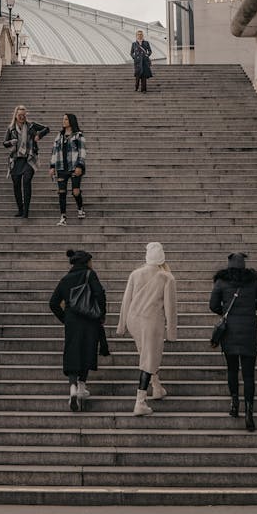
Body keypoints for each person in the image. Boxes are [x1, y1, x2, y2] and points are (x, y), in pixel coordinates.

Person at [209, 252, 257, 432]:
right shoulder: (253, 283)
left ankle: (234, 405)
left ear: (229, 266)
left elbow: (213, 306)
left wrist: (225, 311)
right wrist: (252, 306)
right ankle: (249, 413)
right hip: (249, 333)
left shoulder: (221, 282)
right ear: (244, 266)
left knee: (232, 370)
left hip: (229, 334)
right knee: (249, 375)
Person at [116, 241, 177, 415]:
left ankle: (157, 387)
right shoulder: (167, 277)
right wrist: (171, 332)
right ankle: (140, 402)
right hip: (152, 321)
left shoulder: (135, 274)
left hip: (134, 320)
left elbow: (126, 300)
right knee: (149, 359)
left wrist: (122, 325)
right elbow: (170, 308)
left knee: (147, 354)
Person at [49, 249, 106, 411]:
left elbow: (53, 303)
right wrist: (101, 314)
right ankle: (82, 387)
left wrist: (65, 318)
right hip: (89, 320)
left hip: (72, 322)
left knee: (73, 352)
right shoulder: (90, 274)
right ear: (86, 262)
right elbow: (100, 294)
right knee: (87, 350)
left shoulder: (65, 279)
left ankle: (73, 387)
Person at [3, 105, 49, 218]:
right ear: (15, 116)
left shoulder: (31, 125)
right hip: (16, 159)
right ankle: (20, 209)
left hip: (29, 159)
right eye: (20, 115)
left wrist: (39, 135)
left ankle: (26, 211)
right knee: (16, 185)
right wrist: (10, 142)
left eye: (24, 115)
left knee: (27, 181)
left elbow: (46, 128)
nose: (22, 117)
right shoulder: (11, 129)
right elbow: (4, 143)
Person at [49, 114, 87, 226]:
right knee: (62, 192)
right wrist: (52, 166)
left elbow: (83, 151)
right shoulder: (59, 136)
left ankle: (80, 208)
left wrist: (80, 165)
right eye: (63, 119)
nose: (64, 121)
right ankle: (63, 217)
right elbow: (54, 152)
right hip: (61, 168)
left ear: (71, 121)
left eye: (66, 119)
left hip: (74, 167)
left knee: (75, 191)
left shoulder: (78, 136)